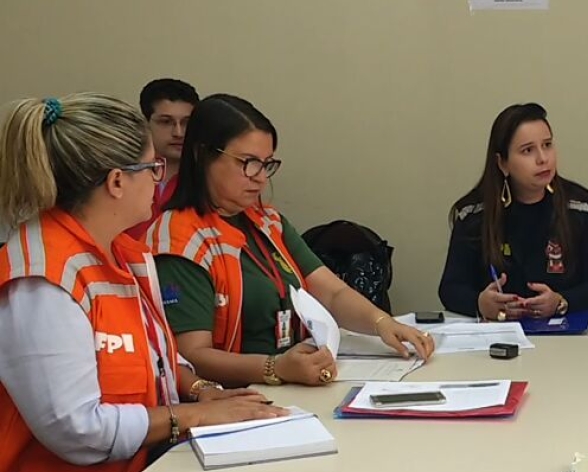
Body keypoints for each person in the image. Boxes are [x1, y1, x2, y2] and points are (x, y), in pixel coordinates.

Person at [0, 93, 287, 472]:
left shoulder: (119, 253)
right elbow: (78, 429)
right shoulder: (42, 279)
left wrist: (202, 392)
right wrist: (190, 417)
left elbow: (158, 358)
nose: (160, 180)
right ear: (117, 181)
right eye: (153, 169)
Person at [139, 94, 435, 387]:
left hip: (294, 380)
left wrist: (382, 322)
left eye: (266, 164)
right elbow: (192, 356)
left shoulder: (267, 222)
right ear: (202, 155)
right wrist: (274, 367)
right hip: (237, 396)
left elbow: (332, 293)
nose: (260, 177)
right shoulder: (179, 239)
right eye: (248, 163)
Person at [438, 102, 588, 321]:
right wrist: (479, 303)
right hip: (497, 332)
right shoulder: (473, 215)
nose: (543, 159)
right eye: (528, 150)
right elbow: (451, 288)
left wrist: (561, 301)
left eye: (547, 145)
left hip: (567, 335)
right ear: (502, 163)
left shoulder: (583, 210)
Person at [126, 78, 199, 239]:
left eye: (186, 123)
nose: (178, 133)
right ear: (145, 123)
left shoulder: (206, 180)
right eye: (166, 122)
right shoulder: (124, 175)